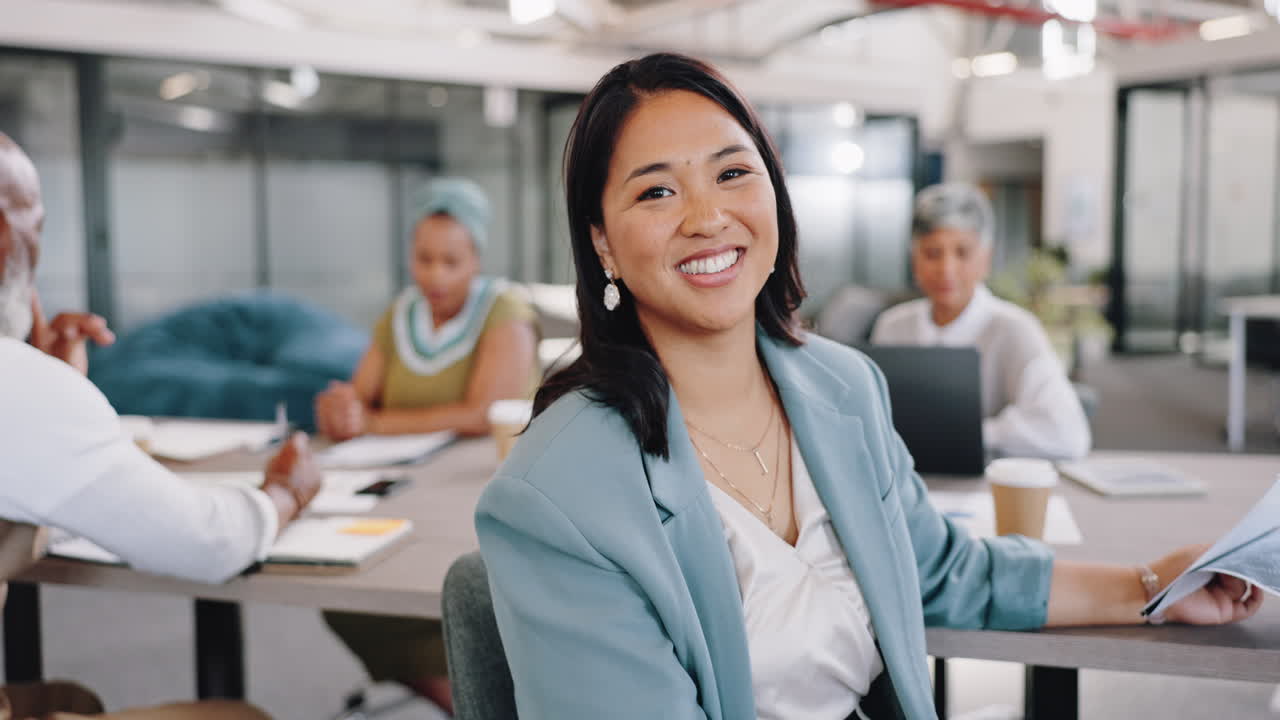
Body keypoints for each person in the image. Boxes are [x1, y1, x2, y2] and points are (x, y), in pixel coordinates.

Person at [472, 54, 1261, 720]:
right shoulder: (557, 496)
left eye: (733, 172)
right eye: (657, 191)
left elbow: (940, 572)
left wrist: (1156, 584)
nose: (709, 216)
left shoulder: (840, 386)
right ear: (601, 242)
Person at [0, 133, 321, 716]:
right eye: (37, 227)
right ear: (3, 236)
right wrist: (286, 493)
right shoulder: (13, 384)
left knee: (72, 699)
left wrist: (55, 388)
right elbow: (209, 543)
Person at [316, 179, 538, 715]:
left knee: (457, 584)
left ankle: (481, 700)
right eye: (423, 259)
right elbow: (357, 400)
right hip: (405, 492)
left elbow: (484, 412)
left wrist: (373, 422)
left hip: (480, 493)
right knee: (349, 588)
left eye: (451, 262)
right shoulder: (401, 316)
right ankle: (467, 699)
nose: (434, 275)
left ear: (476, 259)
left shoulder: (505, 310)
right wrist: (342, 411)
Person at [871, 182, 1091, 460]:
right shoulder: (892, 326)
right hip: (906, 486)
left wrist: (969, 433)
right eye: (932, 253)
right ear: (914, 260)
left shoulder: (1015, 329)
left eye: (962, 252)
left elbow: (1067, 435)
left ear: (985, 259)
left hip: (986, 488)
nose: (946, 269)